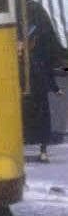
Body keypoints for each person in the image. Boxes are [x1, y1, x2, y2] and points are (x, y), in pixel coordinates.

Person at [23, 21, 63, 163]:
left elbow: (47, 74)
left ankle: (43, 151)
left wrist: (55, 88)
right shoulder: (21, 57)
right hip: (25, 96)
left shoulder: (39, 56)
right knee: (27, 123)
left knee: (43, 124)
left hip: (39, 95)